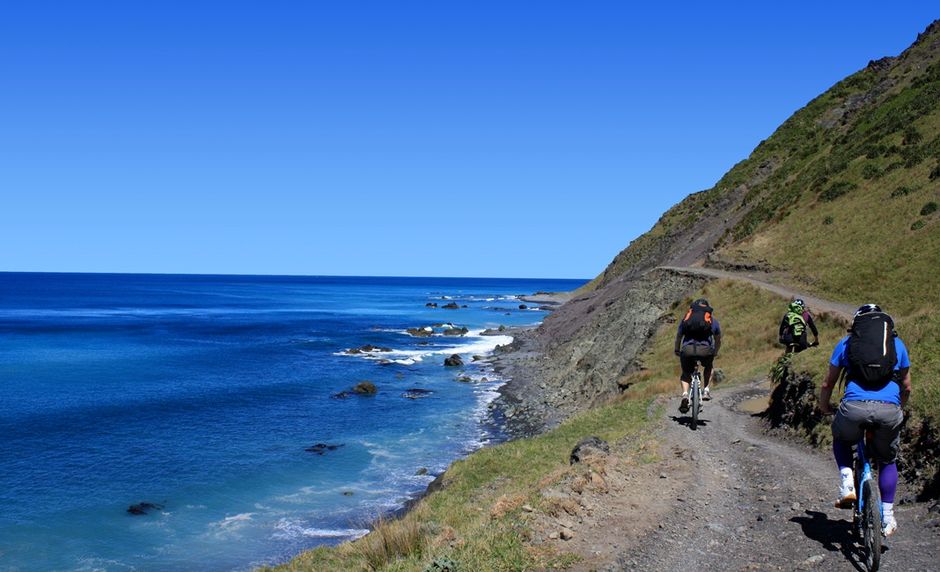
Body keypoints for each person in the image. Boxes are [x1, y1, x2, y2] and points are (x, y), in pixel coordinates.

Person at [818, 303, 911, 537]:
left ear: (857, 325)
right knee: (888, 460)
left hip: (854, 408)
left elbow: (828, 383)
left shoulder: (846, 344)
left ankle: (847, 481)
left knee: (840, 438)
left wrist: (824, 406)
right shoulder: (897, 345)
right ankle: (887, 516)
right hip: (889, 410)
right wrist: (899, 407)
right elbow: (907, 386)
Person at [674, 298, 722, 412]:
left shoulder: (686, 319)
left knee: (686, 374)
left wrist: (677, 349)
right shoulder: (712, 321)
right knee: (709, 366)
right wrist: (715, 351)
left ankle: (685, 395)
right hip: (705, 350)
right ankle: (706, 390)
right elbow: (718, 339)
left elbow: (679, 337)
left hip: (687, 350)